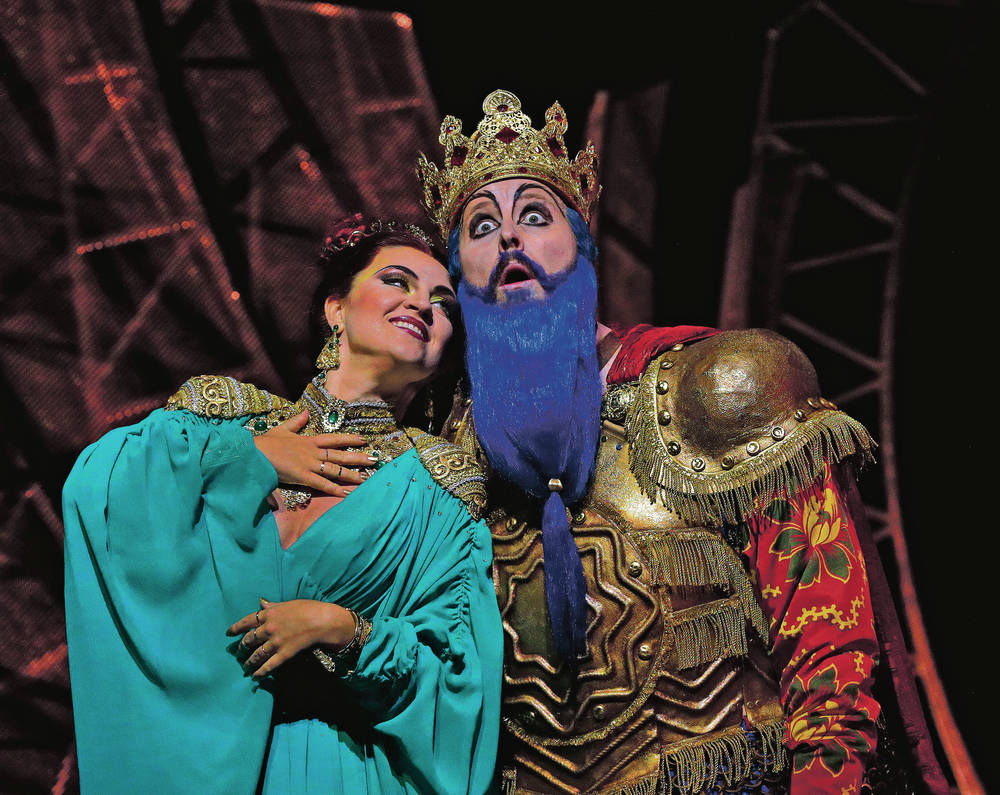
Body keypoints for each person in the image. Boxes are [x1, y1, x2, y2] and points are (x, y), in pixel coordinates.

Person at [416, 90, 945, 793]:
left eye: (535, 215)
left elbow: (831, 658)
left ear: (582, 247)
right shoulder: (440, 465)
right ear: (460, 276)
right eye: (481, 226)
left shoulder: (722, 386)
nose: (509, 237)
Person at [62, 217, 502, 794]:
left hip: (331, 768)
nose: (422, 304)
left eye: (443, 305)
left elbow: (455, 687)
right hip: (191, 760)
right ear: (336, 309)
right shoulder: (219, 419)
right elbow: (97, 497)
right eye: (397, 281)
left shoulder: (440, 490)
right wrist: (247, 458)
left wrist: (345, 630)